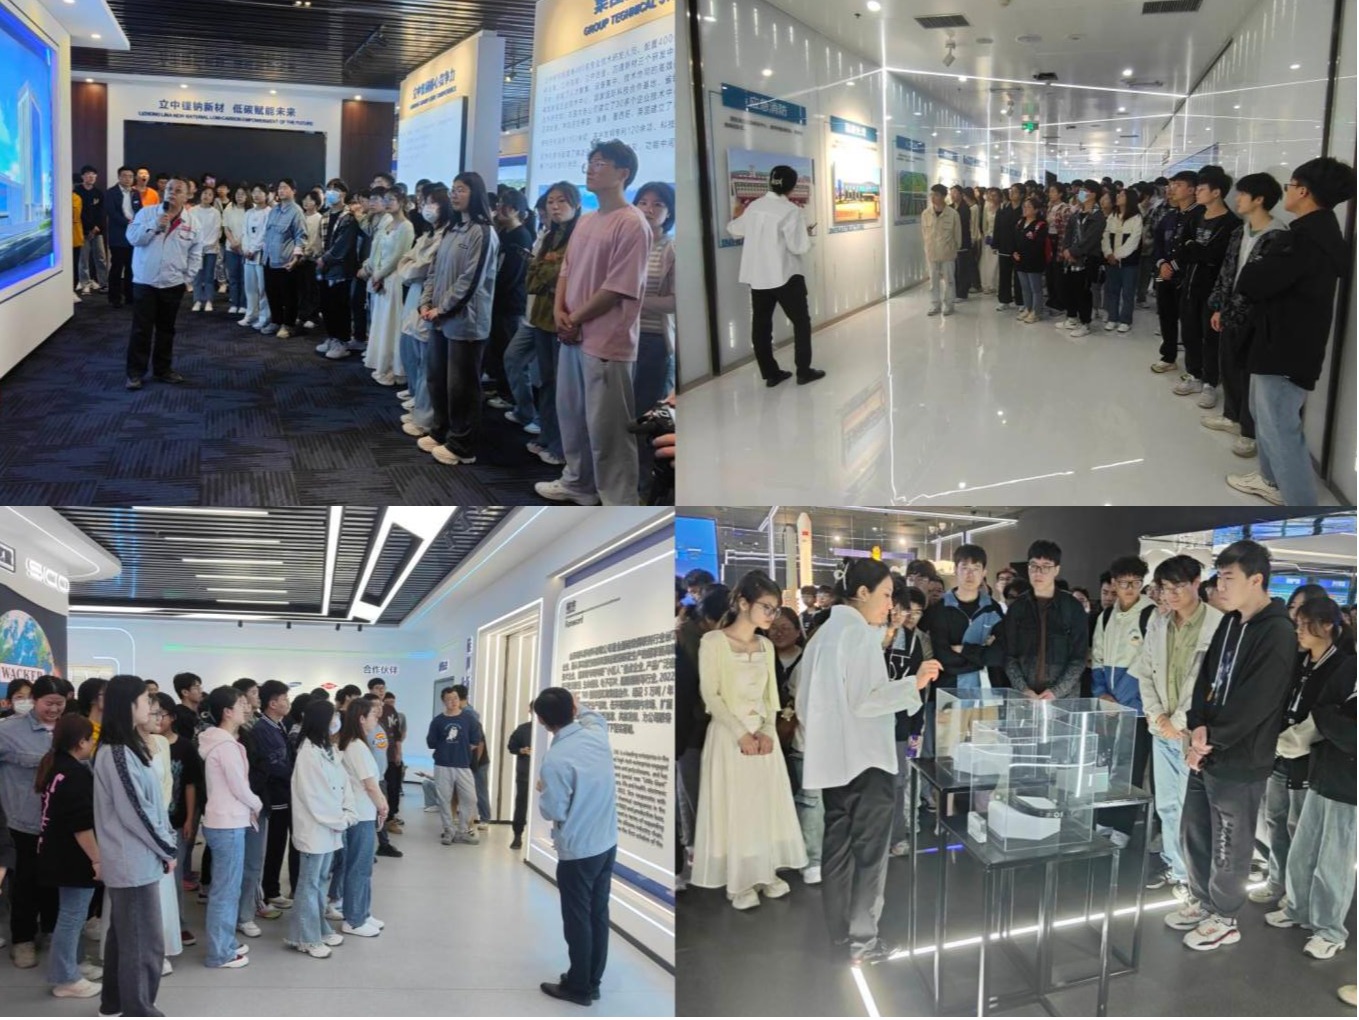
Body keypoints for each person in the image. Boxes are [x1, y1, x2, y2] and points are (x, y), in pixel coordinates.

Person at [799, 558, 941, 964]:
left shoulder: (823, 636)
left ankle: (840, 935)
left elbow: (806, 702)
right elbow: (866, 700)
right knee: (870, 857)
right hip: (867, 763)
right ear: (862, 593)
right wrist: (914, 683)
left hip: (833, 764)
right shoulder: (858, 635)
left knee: (838, 852)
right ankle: (863, 940)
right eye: (885, 594)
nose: (890, 604)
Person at [1165, 540, 1295, 951]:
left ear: (1256, 580)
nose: (1219, 586)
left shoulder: (1277, 632)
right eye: (1218, 577)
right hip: (1207, 749)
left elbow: (1259, 700)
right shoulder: (1231, 622)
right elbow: (1206, 677)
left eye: (1227, 578)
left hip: (1240, 758)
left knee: (1230, 842)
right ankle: (1203, 901)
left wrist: (1210, 738)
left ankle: (1225, 916)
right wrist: (1197, 725)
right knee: (1195, 831)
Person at [1230, 157, 1355, 505]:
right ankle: (1270, 479)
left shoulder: (1304, 239)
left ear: (1303, 191)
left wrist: (1255, 269)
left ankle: (1301, 507)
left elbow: (1253, 282)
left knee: (1280, 426)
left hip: (1285, 347)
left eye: (1290, 185)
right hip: (1281, 341)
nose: (1287, 192)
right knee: (1264, 415)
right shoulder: (1318, 232)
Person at [534, 141, 650, 505]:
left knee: (608, 428)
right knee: (572, 417)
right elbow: (566, 270)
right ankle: (577, 483)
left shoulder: (632, 223)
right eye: (590, 162)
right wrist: (559, 312)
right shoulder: (586, 220)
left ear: (622, 173)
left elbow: (617, 288)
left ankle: (618, 500)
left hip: (606, 340)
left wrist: (574, 318)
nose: (590, 168)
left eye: (600, 163)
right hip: (572, 335)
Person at [691, 572, 806, 910]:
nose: (772, 615)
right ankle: (740, 880)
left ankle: (765, 871)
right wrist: (741, 733)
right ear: (743, 603)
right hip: (729, 736)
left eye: (775, 609)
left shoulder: (766, 645)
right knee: (737, 807)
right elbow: (711, 695)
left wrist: (768, 730)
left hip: (763, 736)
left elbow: (772, 696)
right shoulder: (713, 642)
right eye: (766, 607)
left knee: (765, 805)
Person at [1265, 596, 1356, 959]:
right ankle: (1298, 908)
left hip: (1349, 780)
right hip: (1322, 767)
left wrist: (1329, 719)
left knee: (1334, 858)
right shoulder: (1349, 666)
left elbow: (1341, 726)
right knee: (1303, 847)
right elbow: (1323, 712)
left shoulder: (1344, 665)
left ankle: (1330, 929)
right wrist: (1329, 719)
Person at [1134, 555, 1222, 897]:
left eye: (1177, 588)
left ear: (1197, 583)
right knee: (1167, 804)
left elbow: (1210, 684)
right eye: (1164, 588)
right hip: (1161, 729)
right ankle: (1176, 866)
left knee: (1192, 808)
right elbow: (1145, 672)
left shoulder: (1217, 624)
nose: (1169, 595)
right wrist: (1157, 716)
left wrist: (1179, 721)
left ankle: (1195, 876)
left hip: (1193, 732)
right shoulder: (1159, 621)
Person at [92, 676, 177, 1016]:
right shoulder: (117, 753)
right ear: (129, 705)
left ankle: (114, 1004)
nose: (151, 707)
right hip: (133, 861)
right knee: (144, 943)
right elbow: (137, 813)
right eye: (146, 700)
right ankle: (139, 1009)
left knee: (125, 937)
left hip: (135, 858)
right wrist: (167, 849)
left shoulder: (126, 749)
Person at [1251, 586, 1341, 908]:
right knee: (1275, 820)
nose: (1298, 630)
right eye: (1297, 623)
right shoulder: (1298, 660)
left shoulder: (1341, 665)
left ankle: (1298, 891)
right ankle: (1278, 880)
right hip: (1279, 754)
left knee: (1301, 829)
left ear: (1327, 625)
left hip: (1310, 760)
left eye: (1305, 624)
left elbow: (1327, 717)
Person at [534, 687, 618, 1006]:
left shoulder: (555, 759)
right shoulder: (596, 734)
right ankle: (591, 981)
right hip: (606, 842)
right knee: (598, 914)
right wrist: (575, 705)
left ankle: (579, 987)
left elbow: (553, 810)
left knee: (578, 919)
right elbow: (594, 716)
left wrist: (543, 788)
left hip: (578, 850)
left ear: (542, 721)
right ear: (572, 709)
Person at [415, 171, 500, 467]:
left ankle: (463, 445)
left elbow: (470, 280)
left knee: (461, 386)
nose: (454, 194)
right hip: (439, 318)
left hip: (465, 322)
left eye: (461, 189)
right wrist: (426, 301)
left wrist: (442, 308)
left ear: (475, 193)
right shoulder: (452, 229)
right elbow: (434, 271)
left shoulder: (483, 232)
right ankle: (441, 431)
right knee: (437, 378)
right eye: (453, 189)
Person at [1202, 172, 1287, 459]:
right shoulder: (1240, 232)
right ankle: (1231, 415)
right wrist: (1218, 306)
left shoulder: (1279, 236)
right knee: (1228, 364)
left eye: (1242, 194)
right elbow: (1227, 272)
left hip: (1257, 317)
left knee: (1251, 374)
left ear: (1259, 199)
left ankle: (1249, 432)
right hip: (1230, 312)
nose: (1236, 199)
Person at [725, 163, 823, 387]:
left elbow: (734, 229)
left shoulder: (755, 206)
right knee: (801, 322)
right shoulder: (791, 211)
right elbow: (798, 247)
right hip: (785, 275)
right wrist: (806, 235)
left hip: (758, 277)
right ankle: (804, 371)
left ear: (770, 181)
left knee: (761, 325)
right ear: (792, 187)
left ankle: (771, 374)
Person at [0, 675, 68, 968]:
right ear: (34, 701)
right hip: (22, 822)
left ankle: (52, 932)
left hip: (60, 823)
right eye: (48, 703)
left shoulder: (70, 729)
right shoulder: (8, 731)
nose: (54, 709)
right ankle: (23, 939)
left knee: (55, 881)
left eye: (59, 703)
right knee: (25, 884)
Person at [1091, 555, 1157, 846]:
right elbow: (1097, 656)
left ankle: (1124, 826)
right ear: (1114, 584)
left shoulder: (1151, 614)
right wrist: (1101, 694)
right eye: (1123, 583)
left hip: (1137, 708)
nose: (1129, 588)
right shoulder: (1106, 616)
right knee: (1107, 765)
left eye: (1135, 582)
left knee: (1131, 768)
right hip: (1109, 704)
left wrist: (1123, 700)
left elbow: (1147, 659)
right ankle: (1105, 818)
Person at [35, 713, 101, 999]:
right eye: (91, 739)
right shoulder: (74, 774)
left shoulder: (57, 765)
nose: (93, 744)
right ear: (80, 742)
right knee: (72, 916)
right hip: (71, 856)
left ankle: (73, 964)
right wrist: (97, 859)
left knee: (71, 914)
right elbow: (81, 826)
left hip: (56, 852)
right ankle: (66, 977)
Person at [198, 685, 261, 969]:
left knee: (227, 888)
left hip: (225, 821)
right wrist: (257, 804)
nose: (246, 708)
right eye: (241, 704)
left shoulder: (220, 742)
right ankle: (219, 952)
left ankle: (225, 942)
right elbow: (240, 787)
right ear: (226, 711)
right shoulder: (225, 746)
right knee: (225, 890)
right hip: (228, 823)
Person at [520, 182, 581, 467]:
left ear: (576, 205)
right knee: (546, 383)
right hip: (542, 318)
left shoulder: (580, 236)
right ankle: (547, 436)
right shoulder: (548, 235)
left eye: (562, 201)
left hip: (565, 320)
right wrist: (550, 272)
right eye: (551, 202)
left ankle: (561, 447)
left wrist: (549, 271)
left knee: (564, 389)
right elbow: (532, 278)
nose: (555, 207)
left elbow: (568, 277)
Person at [287, 699, 355, 959]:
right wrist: (340, 820)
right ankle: (306, 937)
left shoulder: (327, 748)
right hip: (316, 828)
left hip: (331, 827)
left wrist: (347, 813)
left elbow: (343, 783)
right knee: (309, 883)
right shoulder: (308, 753)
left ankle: (319, 928)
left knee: (320, 881)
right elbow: (314, 795)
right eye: (333, 716)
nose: (337, 721)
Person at [123, 177, 202, 391]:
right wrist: (155, 226)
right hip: (145, 281)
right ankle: (135, 373)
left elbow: (196, 254)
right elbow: (133, 238)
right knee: (141, 330)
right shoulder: (147, 213)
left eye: (178, 190)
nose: (171, 193)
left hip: (173, 284)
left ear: (187, 196)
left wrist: (186, 280)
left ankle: (162, 369)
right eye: (169, 189)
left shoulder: (193, 222)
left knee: (166, 330)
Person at [1172, 165, 1239, 411]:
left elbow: (1217, 257)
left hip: (1213, 290)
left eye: (1201, 189)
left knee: (1211, 337)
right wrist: (1197, 251)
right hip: (1190, 285)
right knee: (1190, 332)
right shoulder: (1195, 217)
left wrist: (1195, 250)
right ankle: (1194, 374)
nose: (1197, 193)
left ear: (1216, 192)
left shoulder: (1231, 224)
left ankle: (1210, 382)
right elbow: (1183, 250)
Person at [1003, 540, 1090, 699]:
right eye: (1034, 565)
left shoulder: (1073, 608)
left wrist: (1056, 692)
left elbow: (1079, 659)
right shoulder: (1017, 608)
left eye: (1046, 566)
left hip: (1063, 699)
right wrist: (1023, 689)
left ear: (1056, 569)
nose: (1038, 572)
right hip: (1024, 697)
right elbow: (1009, 656)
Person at [336, 697, 387, 937]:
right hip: (361, 814)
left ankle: (362, 912)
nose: (377, 718)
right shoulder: (355, 746)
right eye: (373, 714)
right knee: (359, 866)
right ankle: (354, 919)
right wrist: (383, 805)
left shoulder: (355, 744)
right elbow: (370, 784)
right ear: (361, 718)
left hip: (362, 812)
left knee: (363, 866)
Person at [153, 692, 200, 948]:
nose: (156, 719)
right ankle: (156, 927)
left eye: (160, 714)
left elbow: (190, 785)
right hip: (151, 824)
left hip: (176, 820)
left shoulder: (184, 747)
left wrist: (190, 819)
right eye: (152, 713)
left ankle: (178, 925)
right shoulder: (143, 745)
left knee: (175, 875)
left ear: (171, 717)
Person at [885, 582, 928, 855]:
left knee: (898, 781)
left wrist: (916, 727)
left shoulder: (912, 641)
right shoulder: (865, 636)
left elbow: (918, 689)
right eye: (897, 609)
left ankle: (896, 836)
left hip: (899, 723)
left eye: (907, 611)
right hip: (864, 724)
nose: (901, 616)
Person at [486, 189, 536, 412]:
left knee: (508, 350)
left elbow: (511, 275)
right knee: (497, 348)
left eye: (503, 205)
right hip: (497, 301)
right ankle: (501, 389)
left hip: (510, 303)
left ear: (515, 209)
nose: (498, 208)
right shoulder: (504, 233)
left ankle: (510, 396)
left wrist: (492, 291)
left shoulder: (521, 236)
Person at [363, 187, 416, 386]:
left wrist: (380, 274)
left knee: (392, 323)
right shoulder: (387, 223)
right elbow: (377, 250)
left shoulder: (406, 226)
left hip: (394, 279)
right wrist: (374, 271)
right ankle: (382, 364)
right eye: (385, 199)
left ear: (401, 202)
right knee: (380, 321)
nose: (387, 203)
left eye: (391, 199)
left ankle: (395, 367)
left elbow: (398, 256)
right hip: (380, 277)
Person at [1150, 169, 1199, 374]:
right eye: (1172, 185)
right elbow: (1158, 242)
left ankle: (1195, 368)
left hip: (1187, 278)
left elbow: (1194, 251)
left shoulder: (1200, 216)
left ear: (1192, 190)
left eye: (1178, 185)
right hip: (1165, 275)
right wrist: (1162, 263)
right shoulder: (1170, 216)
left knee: (1189, 323)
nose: (1172, 189)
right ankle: (1168, 356)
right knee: (1166, 316)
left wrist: (1173, 267)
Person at [253, 681, 294, 909]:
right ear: (272, 703)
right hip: (274, 796)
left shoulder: (278, 726)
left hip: (283, 794)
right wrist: (294, 777)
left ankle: (272, 889)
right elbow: (274, 766)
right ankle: (269, 891)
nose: (288, 703)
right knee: (272, 846)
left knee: (278, 845)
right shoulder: (262, 729)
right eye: (284, 699)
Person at [426, 686, 482, 845]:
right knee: (444, 799)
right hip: (443, 765)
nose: (453, 702)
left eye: (455, 698)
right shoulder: (438, 721)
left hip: (463, 764)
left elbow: (475, 741)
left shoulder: (469, 719)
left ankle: (463, 830)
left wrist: (461, 750)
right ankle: (448, 830)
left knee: (470, 798)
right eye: (449, 699)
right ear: (443, 701)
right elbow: (431, 742)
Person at [315, 180, 362, 359]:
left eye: (335, 189)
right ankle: (332, 337)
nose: (330, 192)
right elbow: (321, 240)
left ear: (343, 194)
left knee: (340, 306)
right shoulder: (325, 216)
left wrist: (325, 259)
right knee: (326, 305)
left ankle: (342, 341)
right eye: (329, 189)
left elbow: (343, 245)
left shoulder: (348, 217)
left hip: (341, 268)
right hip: (324, 268)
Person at [1055, 182, 1105, 339]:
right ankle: (1071, 317)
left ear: (1093, 194)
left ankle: (1085, 323)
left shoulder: (1098, 216)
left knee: (1083, 291)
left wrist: (1073, 252)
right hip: (1070, 259)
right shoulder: (1076, 213)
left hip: (1087, 259)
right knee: (1069, 288)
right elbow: (1068, 234)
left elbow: (1091, 240)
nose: (1080, 193)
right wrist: (1066, 249)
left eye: (1084, 191)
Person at [1101, 185, 1142, 333]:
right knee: (1112, 290)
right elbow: (1105, 235)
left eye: (1122, 195)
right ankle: (1112, 317)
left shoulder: (1136, 218)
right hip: (1111, 260)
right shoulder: (1113, 216)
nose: (1118, 197)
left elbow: (1133, 241)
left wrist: (1117, 255)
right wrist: (1108, 253)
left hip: (1129, 262)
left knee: (1128, 292)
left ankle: (1125, 320)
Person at [104, 166, 141, 307]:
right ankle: (114, 298)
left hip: (134, 235)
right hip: (118, 235)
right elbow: (111, 213)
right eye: (124, 176)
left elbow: (140, 210)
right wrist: (128, 222)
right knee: (117, 267)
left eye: (130, 176)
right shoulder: (111, 193)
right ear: (119, 177)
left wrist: (137, 222)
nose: (127, 179)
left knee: (132, 267)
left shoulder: (135, 193)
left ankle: (130, 297)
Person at [921, 184, 960, 317]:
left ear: (943, 196)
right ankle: (935, 304)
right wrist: (927, 247)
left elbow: (957, 235)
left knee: (949, 281)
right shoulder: (926, 214)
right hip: (932, 253)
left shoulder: (953, 214)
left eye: (936, 195)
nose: (933, 198)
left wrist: (955, 249)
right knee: (933, 281)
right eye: (931, 195)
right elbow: (924, 233)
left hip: (947, 253)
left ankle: (949, 305)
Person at [238, 183, 273, 331]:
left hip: (261, 255)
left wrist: (253, 249)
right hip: (248, 255)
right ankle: (251, 314)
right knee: (250, 287)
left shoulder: (269, 212)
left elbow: (264, 234)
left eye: (260, 192)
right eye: (254, 192)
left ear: (266, 195)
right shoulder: (249, 213)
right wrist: (246, 248)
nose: (256, 195)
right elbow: (244, 232)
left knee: (262, 288)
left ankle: (264, 317)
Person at [187, 183, 223, 313]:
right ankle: (197, 300)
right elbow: (190, 229)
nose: (207, 196)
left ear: (213, 198)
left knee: (209, 276)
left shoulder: (215, 212)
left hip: (210, 249)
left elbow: (217, 230)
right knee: (197, 276)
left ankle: (208, 300)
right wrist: (197, 245)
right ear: (200, 195)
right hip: (196, 248)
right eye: (205, 193)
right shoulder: (192, 211)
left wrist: (208, 245)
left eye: (210, 194)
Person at [1011, 196, 1048, 324]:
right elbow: (1015, 239)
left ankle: (1036, 312)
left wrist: (1026, 254)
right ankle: (1028, 308)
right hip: (1020, 260)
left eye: (1028, 207)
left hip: (1034, 261)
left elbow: (1039, 245)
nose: (1025, 209)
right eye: (1024, 206)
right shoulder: (1020, 223)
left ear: (1036, 210)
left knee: (1035, 288)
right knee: (1025, 287)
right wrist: (1014, 252)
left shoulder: (1040, 225)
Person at [74, 164, 108, 296]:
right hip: (82, 231)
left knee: (101, 258)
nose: (91, 176)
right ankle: (85, 284)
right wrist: (89, 228)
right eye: (88, 174)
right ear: (83, 176)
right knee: (83, 260)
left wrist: (96, 228)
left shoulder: (98, 193)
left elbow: (102, 212)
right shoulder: (77, 192)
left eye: (93, 174)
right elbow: (79, 213)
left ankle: (104, 283)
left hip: (98, 231)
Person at [992, 183, 1022, 312]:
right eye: (1011, 191)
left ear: (1021, 194)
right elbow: (997, 227)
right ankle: (1004, 300)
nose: (1011, 193)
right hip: (1004, 246)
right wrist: (995, 244)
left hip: (1019, 247)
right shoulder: (1003, 208)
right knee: (1004, 274)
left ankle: (1021, 301)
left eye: (1015, 191)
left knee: (1019, 276)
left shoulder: (1024, 209)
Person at [221, 184, 249, 316]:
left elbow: (249, 229)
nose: (239, 196)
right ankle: (234, 303)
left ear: (247, 196)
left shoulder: (251, 210)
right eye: (237, 194)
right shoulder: (229, 208)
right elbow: (226, 227)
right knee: (233, 277)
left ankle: (243, 304)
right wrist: (233, 242)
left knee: (244, 278)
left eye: (242, 194)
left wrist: (240, 242)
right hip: (230, 248)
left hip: (245, 248)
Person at [507, 713, 533, 850]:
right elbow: (511, 746)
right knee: (521, 804)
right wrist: (521, 750)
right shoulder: (523, 729)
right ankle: (518, 835)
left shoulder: (552, 729)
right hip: (525, 773)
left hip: (545, 773)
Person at [950, 184, 974, 303]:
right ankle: (954, 291)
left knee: (963, 268)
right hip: (951, 242)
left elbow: (964, 225)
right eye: (951, 192)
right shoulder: (949, 208)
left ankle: (962, 293)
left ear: (961, 194)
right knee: (953, 268)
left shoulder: (965, 208)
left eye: (955, 192)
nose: (952, 195)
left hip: (963, 241)